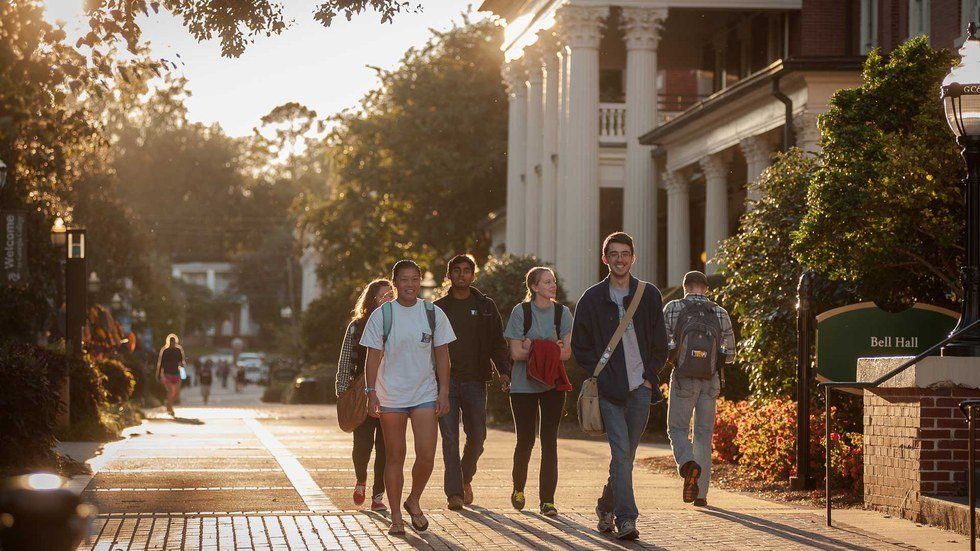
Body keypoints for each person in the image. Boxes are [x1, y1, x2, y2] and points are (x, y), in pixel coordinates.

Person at [571, 232, 668, 541]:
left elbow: (661, 343)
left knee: (624, 457)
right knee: (623, 454)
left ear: (632, 258)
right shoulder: (591, 298)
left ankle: (604, 506)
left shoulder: (648, 294)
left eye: (625, 253)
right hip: (609, 391)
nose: (620, 259)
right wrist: (600, 374)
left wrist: (650, 376)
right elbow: (580, 346)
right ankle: (627, 519)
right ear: (605, 259)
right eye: (613, 254)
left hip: (641, 387)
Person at [361, 260, 454, 536]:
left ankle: (413, 499)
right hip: (391, 395)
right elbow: (373, 356)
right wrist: (371, 392)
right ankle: (396, 517)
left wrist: (444, 391)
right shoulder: (383, 315)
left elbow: (442, 355)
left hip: (425, 393)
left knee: (426, 455)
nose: (410, 284)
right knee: (395, 456)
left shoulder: (432, 313)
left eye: (415, 279)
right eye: (404, 279)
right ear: (395, 283)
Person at [433, 254, 511, 510]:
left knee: (477, 436)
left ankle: (465, 478)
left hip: (475, 381)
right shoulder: (438, 308)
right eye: (456, 270)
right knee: (449, 438)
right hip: (446, 383)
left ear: (473, 275)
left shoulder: (486, 307)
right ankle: (454, 493)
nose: (461, 275)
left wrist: (504, 370)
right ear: (449, 275)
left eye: (467, 270)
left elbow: (497, 342)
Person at [502, 266, 573, 517]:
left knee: (549, 442)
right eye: (546, 282)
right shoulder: (520, 312)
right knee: (525, 441)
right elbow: (515, 353)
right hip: (522, 387)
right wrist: (550, 347)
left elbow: (566, 353)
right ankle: (518, 489)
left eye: (553, 281)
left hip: (552, 385)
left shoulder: (562, 313)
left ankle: (547, 501)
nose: (553, 285)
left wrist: (533, 345)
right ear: (534, 287)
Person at [664, 270, 736, 508]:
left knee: (677, 428)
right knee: (704, 435)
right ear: (705, 288)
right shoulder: (719, 312)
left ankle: (687, 465)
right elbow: (731, 354)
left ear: (685, 287)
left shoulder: (673, 308)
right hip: (710, 379)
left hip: (683, 377)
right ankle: (702, 494)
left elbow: (662, 344)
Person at [336, 278, 393, 512]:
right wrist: (342, 392)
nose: (388, 299)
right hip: (363, 394)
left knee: (386, 448)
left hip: (391, 393)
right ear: (372, 300)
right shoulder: (357, 326)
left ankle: (378, 495)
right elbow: (345, 359)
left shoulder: (397, 323)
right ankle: (361, 479)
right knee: (362, 444)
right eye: (384, 296)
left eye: (391, 295)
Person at [156, 333, 186, 417]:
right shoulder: (165, 351)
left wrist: (182, 367)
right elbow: (160, 363)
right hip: (167, 374)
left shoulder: (178, 350)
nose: (172, 343)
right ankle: (170, 408)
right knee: (170, 391)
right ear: (168, 342)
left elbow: (182, 361)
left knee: (176, 393)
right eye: (171, 341)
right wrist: (158, 374)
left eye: (173, 341)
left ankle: (169, 404)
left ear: (175, 342)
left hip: (176, 374)